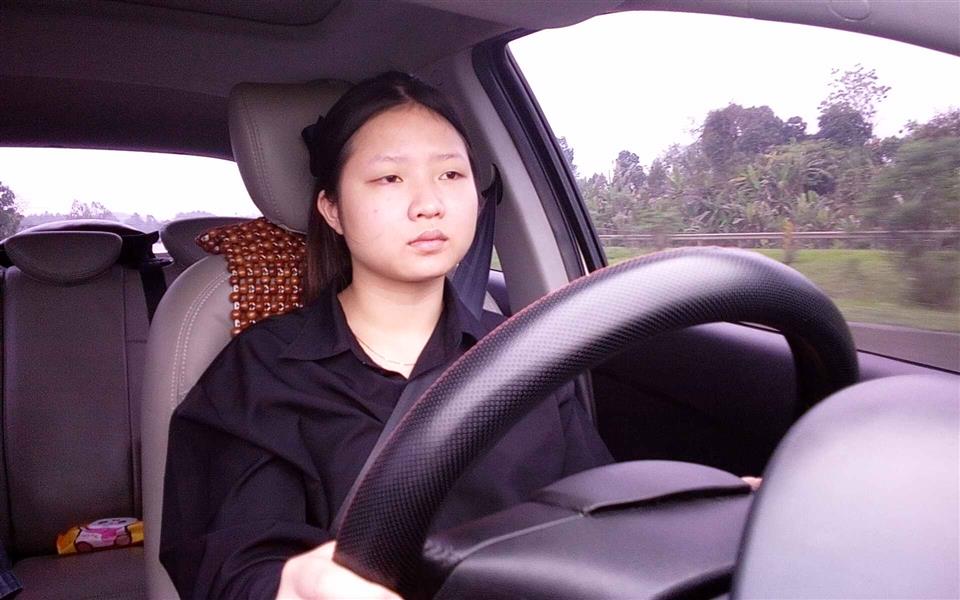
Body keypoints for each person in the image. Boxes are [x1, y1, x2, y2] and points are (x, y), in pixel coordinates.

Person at [159, 72, 612, 600]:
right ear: (332, 210)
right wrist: (294, 587)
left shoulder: (526, 359)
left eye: (451, 174)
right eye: (390, 178)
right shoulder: (259, 374)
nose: (429, 204)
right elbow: (237, 565)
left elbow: (597, 520)